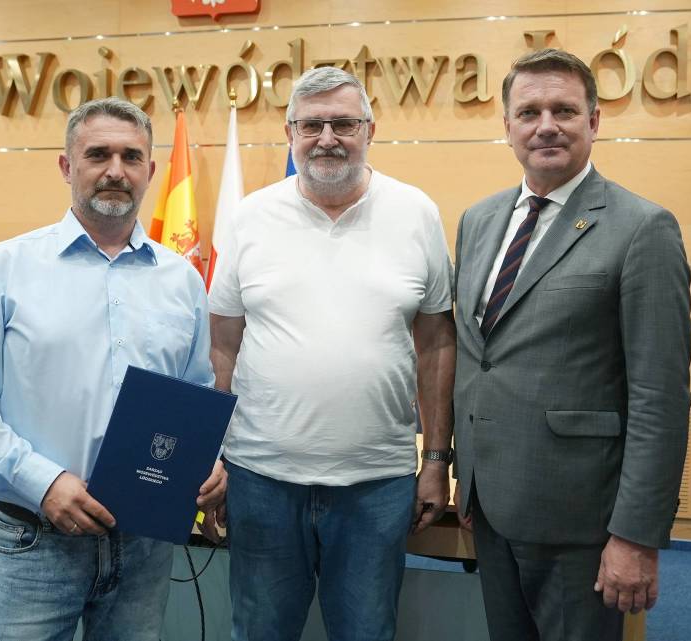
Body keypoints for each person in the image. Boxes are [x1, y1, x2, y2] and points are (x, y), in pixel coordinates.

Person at [0, 97, 224, 641]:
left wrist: (210, 460)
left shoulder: (180, 279)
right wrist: (43, 482)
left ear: (150, 170)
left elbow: (195, 397)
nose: (116, 170)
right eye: (98, 154)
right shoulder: (4, 268)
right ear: (67, 166)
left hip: (144, 546)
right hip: (36, 543)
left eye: (131, 157)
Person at [208, 66, 456, 641]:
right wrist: (212, 454)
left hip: (377, 483)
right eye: (311, 125)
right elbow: (222, 344)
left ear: (370, 130)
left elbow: (437, 344)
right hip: (261, 478)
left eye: (343, 124)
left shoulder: (416, 212)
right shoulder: (249, 217)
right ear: (289, 133)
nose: (327, 138)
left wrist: (436, 459)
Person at [452, 49, 691, 641]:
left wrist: (635, 535)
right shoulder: (478, 220)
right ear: (507, 126)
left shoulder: (642, 228)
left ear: (594, 121)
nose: (546, 126)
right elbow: (481, 355)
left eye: (564, 110)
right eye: (528, 112)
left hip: (580, 519)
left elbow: (660, 398)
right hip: (490, 503)